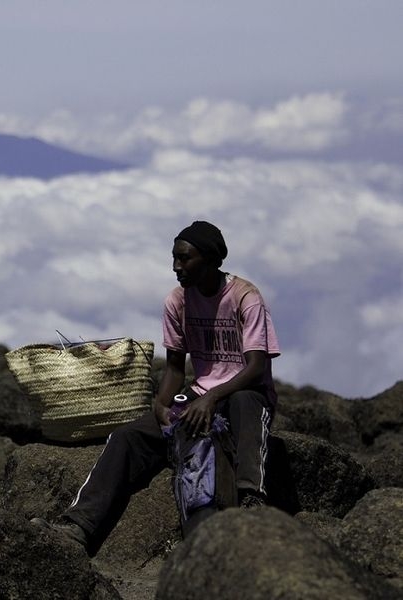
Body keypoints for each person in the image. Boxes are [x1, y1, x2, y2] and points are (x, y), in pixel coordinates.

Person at [32, 220, 280, 553]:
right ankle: (78, 527)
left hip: (243, 392)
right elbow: (176, 367)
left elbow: (257, 367)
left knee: (246, 402)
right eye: (174, 258)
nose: (176, 267)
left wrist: (212, 399)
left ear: (211, 260)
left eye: (185, 258)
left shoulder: (244, 297)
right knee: (128, 437)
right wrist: (161, 406)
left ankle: (252, 498)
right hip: (199, 392)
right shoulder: (177, 301)